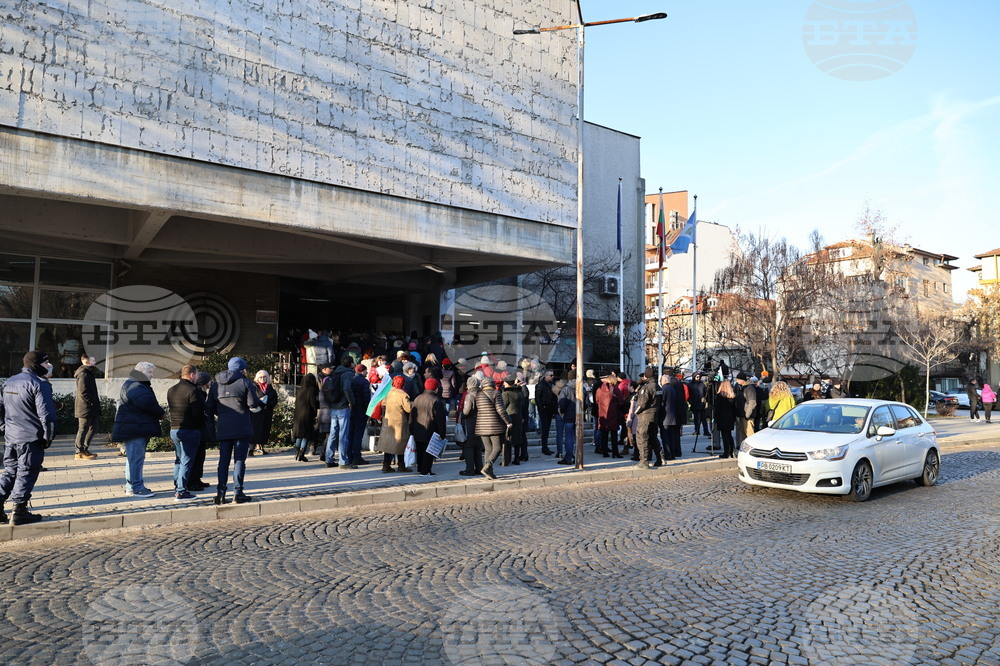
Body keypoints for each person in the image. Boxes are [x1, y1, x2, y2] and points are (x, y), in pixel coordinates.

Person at [0, 351, 56, 524]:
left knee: (10, 471)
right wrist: (48, 437)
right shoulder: (40, 384)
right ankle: (19, 510)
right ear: (36, 364)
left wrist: (4, 428)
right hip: (31, 437)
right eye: (46, 363)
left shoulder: (10, 381)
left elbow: (1, 409)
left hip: (11, 436)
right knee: (27, 471)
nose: (48, 366)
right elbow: (46, 416)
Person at [205, 357, 261, 504]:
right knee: (239, 461)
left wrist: (221, 414)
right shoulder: (245, 382)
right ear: (242, 369)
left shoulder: (216, 385)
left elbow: (209, 406)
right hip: (242, 426)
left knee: (223, 461)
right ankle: (238, 493)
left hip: (224, 426)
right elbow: (253, 403)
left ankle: (220, 494)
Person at [111, 361, 164, 498]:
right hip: (135, 428)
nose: (152, 375)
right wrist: (161, 413)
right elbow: (147, 403)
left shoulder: (134, 383)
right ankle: (137, 487)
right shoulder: (136, 385)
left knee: (133, 459)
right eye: (150, 372)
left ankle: (131, 487)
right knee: (136, 459)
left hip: (135, 426)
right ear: (141, 372)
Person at [166, 365, 204, 502]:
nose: (198, 377)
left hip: (174, 428)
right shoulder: (193, 390)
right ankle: (181, 492)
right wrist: (201, 424)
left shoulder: (171, 390)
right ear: (192, 375)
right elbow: (197, 412)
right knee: (186, 461)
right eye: (197, 375)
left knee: (178, 459)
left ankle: (177, 485)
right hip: (190, 430)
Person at [470, 376, 511, 479]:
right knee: (497, 447)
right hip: (494, 425)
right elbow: (501, 410)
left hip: (481, 426)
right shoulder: (496, 393)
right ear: (492, 385)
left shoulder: (478, 395)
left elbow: (475, 410)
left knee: (488, 449)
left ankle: (489, 473)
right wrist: (508, 422)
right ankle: (488, 466)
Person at [325, 356, 356, 468]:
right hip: (343, 406)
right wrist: (351, 401)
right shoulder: (348, 374)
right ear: (351, 364)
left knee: (333, 434)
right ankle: (343, 461)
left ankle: (329, 459)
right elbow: (347, 388)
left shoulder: (336, 372)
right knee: (343, 434)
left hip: (334, 406)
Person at [412, 377, 447, 476]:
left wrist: (411, 429)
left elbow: (412, 415)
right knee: (429, 452)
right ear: (435, 389)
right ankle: (426, 470)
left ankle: (420, 468)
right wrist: (442, 433)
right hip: (430, 430)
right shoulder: (436, 400)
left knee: (420, 450)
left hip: (418, 429)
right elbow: (440, 420)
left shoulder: (417, 398)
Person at [378, 376, 412, 473]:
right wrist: (413, 404)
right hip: (399, 423)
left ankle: (386, 465)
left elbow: (383, 404)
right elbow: (408, 408)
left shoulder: (389, 393)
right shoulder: (403, 395)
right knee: (400, 445)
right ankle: (401, 466)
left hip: (388, 421)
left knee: (388, 444)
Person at [73, 354, 100, 460]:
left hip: (91, 407)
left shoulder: (88, 371)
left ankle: (84, 448)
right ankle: (78, 451)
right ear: (86, 361)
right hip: (85, 407)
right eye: (93, 360)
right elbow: (83, 391)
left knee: (94, 428)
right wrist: (91, 402)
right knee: (83, 429)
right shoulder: (83, 373)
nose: (95, 362)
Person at [632, 368, 660, 469]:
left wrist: (635, 412)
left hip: (645, 415)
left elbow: (642, 403)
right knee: (653, 437)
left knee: (641, 437)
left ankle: (644, 461)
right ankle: (660, 458)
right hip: (654, 415)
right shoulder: (657, 386)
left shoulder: (647, 387)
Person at [190, 372, 214, 490]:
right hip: (198, 429)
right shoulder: (198, 393)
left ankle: (197, 478)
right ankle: (192, 480)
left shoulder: (203, 393)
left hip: (202, 429)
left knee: (201, 456)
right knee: (196, 456)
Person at [458, 377, 483, 476]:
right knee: (477, 446)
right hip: (481, 422)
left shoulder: (470, 396)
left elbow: (466, 411)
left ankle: (469, 469)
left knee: (468, 445)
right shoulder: (482, 394)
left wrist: (461, 414)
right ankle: (479, 468)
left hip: (470, 423)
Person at [348, 363, 372, 466]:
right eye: (366, 370)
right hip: (361, 411)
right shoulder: (364, 382)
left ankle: (349, 456)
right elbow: (366, 398)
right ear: (362, 371)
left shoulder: (351, 380)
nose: (367, 372)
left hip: (351, 410)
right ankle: (357, 456)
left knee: (351, 434)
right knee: (358, 434)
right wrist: (369, 410)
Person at [249, 370, 277, 456]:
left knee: (265, 429)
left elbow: (274, 399)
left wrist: (268, 406)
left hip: (267, 412)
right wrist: (261, 404)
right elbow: (252, 398)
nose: (262, 379)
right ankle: (251, 449)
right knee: (254, 430)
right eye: (260, 377)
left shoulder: (270, 388)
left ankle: (261, 447)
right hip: (256, 412)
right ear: (257, 378)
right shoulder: (253, 387)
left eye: (264, 377)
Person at [292, 372, 319, 462]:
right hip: (307, 414)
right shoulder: (312, 389)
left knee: (299, 435)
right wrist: (315, 411)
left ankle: (297, 453)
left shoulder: (299, 390)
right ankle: (302, 454)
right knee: (305, 435)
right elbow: (313, 402)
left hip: (298, 414)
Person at [595, 374, 623, 458]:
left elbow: (596, 400)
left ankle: (605, 452)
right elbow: (621, 402)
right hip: (613, 413)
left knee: (604, 434)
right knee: (614, 435)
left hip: (602, 413)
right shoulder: (615, 390)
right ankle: (615, 452)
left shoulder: (599, 390)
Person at [501, 376, 525, 465]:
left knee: (507, 438)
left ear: (507, 383)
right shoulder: (519, 392)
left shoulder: (506, 393)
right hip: (518, 416)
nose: (503, 383)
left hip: (509, 416)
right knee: (517, 438)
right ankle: (517, 458)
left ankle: (506, 459)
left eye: (504, 382)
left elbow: (503, 406)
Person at [534, 369, 557, 456]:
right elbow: (538, 398)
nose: (552, 377)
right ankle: (544, 447)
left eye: (553, 375)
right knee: (545, 429)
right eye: (551, 375)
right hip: (544, 409)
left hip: (550, 409)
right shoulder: (541, 385)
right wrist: (541, 408)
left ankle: (545, 447)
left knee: (547, 429)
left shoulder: (551, 384)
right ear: (546, 376)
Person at [556, 375, 577, 465]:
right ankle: (572, 455)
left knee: (569, 437)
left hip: (568, 416)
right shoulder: (580, 388)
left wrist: (562, 413)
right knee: (574, 437)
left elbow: (561, 403)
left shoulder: (566, 389)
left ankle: (569, 457)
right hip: (577, 416)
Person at [715, 381, 738, 458]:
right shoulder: (732, 397)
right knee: (729, 435)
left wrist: (716, 418)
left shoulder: (720, 396)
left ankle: (726, 452)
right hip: (730, 417)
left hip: (722, 418)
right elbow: (735, 409)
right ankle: (732, 451)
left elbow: (717, 409)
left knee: (724, 436)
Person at [734, 372, 757, 446]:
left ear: (742, 380)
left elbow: (752, 402)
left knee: (749, 433)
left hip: (747, 415)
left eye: (738, 379)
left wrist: (747, 414)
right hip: (740, 414)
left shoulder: (749, 388)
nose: (737, 380)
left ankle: (752, 448)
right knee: (742, 433)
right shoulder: (740, 387)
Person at [687, 372, 710, 437]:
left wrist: (705, 401)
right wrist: (691, 402)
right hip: (694, 403)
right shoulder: (690, 385)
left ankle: (706, 431)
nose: (698, 378)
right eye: (697, 377)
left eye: (699, 377)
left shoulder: (702, 384)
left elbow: (705, 393)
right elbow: (688, 394)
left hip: (701, 403)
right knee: (696, 418)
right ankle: (697, 430)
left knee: (703, 418)